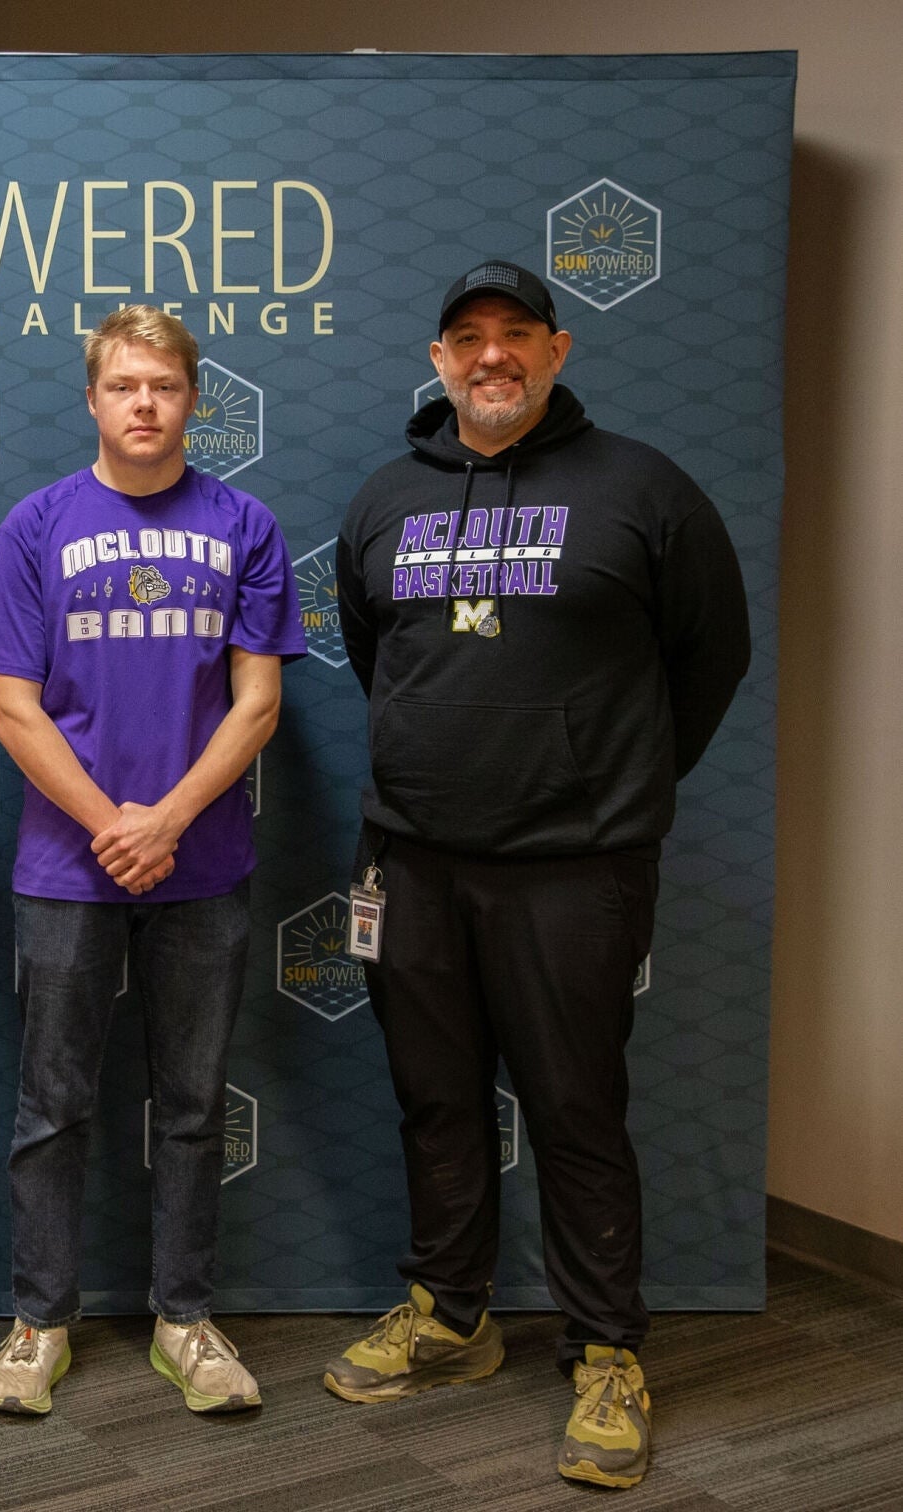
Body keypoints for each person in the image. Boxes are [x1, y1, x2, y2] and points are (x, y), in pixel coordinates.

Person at [326, 260, 751, 1489]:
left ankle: (608, 1348)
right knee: (438, 1100)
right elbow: (377, 659)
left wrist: (603, 786)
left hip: (575, 871)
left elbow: (710, 659)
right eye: (468, 337)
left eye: (517, 335)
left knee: (575, 1109)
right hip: (412, 861)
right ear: (439, 357)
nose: (492, 356)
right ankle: (452, 1316)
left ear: (558, 351)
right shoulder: (386, 498)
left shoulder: (644, 492)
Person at [0, 306, 306, 1415]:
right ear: (94, 400)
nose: (144, 404)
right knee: (52, 1103)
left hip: (202, 866)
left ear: (194, 397)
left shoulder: (246, 524)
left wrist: (166, 821)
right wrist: (115, 819)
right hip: (66, 869)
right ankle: (37, 1324)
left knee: (192, 1102)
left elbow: (258, 703)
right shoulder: (35, 525)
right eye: (124, 386)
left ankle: (186, 1320)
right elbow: (12, 709)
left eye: (163, 385)